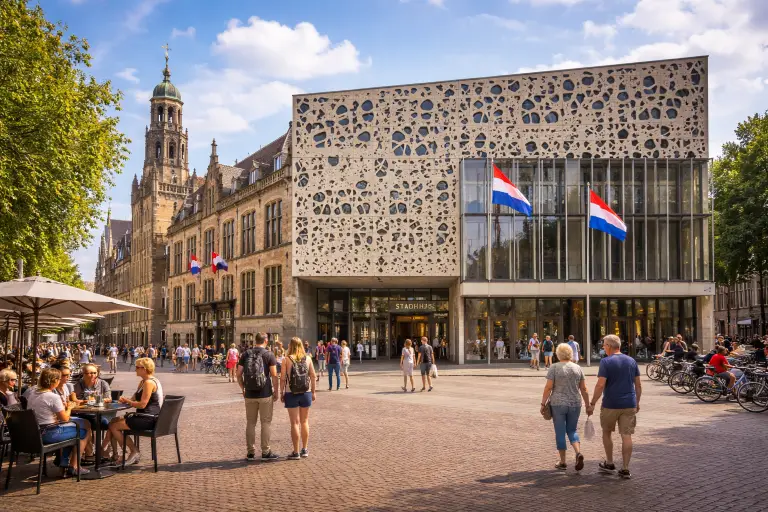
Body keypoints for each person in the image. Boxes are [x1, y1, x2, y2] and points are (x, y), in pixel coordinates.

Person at [589, 334, 641, 479]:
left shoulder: (606, 362)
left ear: (610, 346)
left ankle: (610, 462)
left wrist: (592, 403)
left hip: (610, 404)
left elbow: (600, 385)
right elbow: (638, 385)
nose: (603, 347)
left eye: (604, 345)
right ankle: (625, 468)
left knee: (607, 432)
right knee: (626, 435)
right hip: (629, 403)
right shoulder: (631, 361)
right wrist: (637, 402)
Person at [26, 368, 90, 475]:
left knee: (76, 427)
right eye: (59, 379)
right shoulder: (53, 396)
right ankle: (74, 466)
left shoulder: (32, 394)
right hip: (49, 433)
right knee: (83, 432)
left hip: (34, 433)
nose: (60, 381)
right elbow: (65, 419)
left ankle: (64, 460)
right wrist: (69, 408)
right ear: (54, 380)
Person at [541, 343, 592, 471]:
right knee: (572, 430)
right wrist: (588, 405)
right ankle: (578, 452)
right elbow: (584, 388)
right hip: (575, 403)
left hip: (558, 404)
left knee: (560, 431)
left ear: (558, 354)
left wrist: (543, 403)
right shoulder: (577, 368)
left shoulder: (554, 367)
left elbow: (548, 387)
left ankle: (563, 461)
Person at [108, 357, 164, 466]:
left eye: (137, 367)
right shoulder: (143, 382)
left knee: (114, 426)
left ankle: (133, 451)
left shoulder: (149, 383)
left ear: (144, 369)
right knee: (112, 421)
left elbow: (142, 404)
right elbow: (134, 398)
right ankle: (113, 453)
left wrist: (128, 401)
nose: (135, 369)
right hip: (143, 415)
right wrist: (124, 400)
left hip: (148, 418)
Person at [237, 332, 280, 462]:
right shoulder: (269, 354)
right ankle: (265, 452)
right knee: (265, 423)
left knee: (250, 423)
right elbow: (274, 375)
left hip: (249, 393)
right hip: (265, 393)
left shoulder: (245, 354)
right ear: (265, 341)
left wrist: (243, 388)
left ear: (255, 341)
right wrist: (276, 391)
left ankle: (250, 452)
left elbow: (238, 374)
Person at [281, 337, 317, 460]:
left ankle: (296, 452)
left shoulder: (286, 359)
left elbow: (283, 378)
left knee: (294, 423)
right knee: (304, 421)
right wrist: (313, 391)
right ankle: (305, 449)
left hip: (291, 392)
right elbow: (313, 376)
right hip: (306, 392)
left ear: (290, 346)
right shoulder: (308, 358)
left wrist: (281, 392)